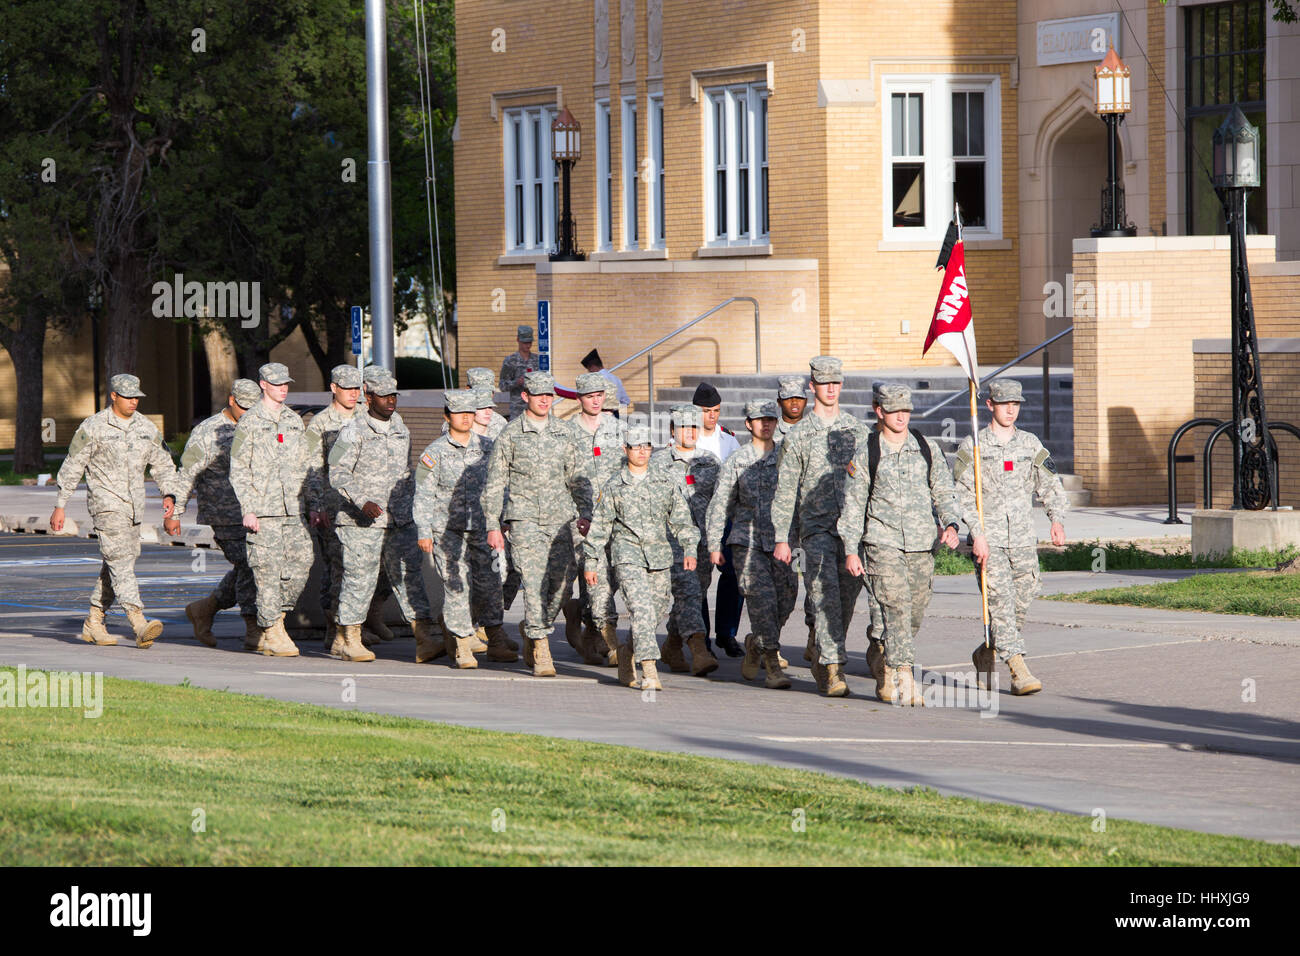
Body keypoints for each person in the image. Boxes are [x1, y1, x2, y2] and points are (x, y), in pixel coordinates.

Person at [839, 383, 973, 706]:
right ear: (879, 411)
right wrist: (850, 549)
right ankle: (904, 676)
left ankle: (886, 660)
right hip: (881, 542)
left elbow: (944, 491)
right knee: (896, 606)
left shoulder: (926, 447)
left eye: (906, 410)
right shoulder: (867, 451)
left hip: (921, 545)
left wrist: (951, 525)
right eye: (894, 410)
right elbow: (854, 504)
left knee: (913, 613)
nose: (901, 416)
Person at [954, 378, 1069, 696]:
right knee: (1001, 605)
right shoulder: (973, 446)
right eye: (1004, 404)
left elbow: (1049, 483)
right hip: (988, 542)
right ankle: (1019, 670)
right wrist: (976, 534)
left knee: (1018, 606)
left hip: (1022, 540)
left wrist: (1056, 520)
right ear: (989, 405)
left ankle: (985, 653)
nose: (1010, 410)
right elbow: (961, 495)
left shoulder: (1030, 444)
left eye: (1015, 404)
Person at [51, 373, 181, 648]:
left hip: (135, 507)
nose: (134, 401)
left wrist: (169, 495)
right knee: (120, 561)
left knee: (117, 563)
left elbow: (164, 464)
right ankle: (138, 621)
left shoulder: (146, 427)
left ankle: (94, 622)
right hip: (106, 506)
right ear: (114, 396)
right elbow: (73, 464)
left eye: (137, 397)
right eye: (128, 396)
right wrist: (60, 504)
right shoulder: (94, 426)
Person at [483, 371, 593, 677]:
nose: (545, 400)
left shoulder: (564, 432)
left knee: (560, 587)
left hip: (560, 521)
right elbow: (495, 482)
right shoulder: (511, 433)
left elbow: (579, 477)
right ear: (525, 397)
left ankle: (534, 629)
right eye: (539, 394)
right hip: (525, 520)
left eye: (549, 395)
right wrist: (494, 524)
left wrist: (586, 514)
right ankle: (542, 649)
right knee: (533, 586)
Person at [327, 368, 438, 663]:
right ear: (369, 396)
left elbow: (407, 471)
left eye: (393, 396)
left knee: (409, 576)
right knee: (359, 578)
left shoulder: (401, 427)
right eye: (383, 396)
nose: (390, 401)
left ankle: (424, 638)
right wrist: (362, 501)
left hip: (399, 519)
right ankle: (347, 639)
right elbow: (336, 471)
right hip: (361, 522)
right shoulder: (353, 430)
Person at [771, 356, 867, 697]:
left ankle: (827, 653)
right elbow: (785, 490)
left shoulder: (858, 431)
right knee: (824, 596)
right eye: (824, 383)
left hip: (853, 533)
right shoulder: (798, 437)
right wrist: (782, 537)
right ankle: (832, 667)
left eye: (836, 383)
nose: (830, 389)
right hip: (816, 530)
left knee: (845, 599)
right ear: (812, 387)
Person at [583, 425, 699, 691]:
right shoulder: (615, 485)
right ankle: (649, 670)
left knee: (655, 613)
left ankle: (627, 652)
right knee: (642, 611)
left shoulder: (664, 480)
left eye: (647, 446)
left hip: (659, 557)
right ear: (626, 450)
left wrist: (690, 548)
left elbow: (681, 520)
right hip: (628, 555)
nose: (642, 452)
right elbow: (600, 527)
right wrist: (591, 562)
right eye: (636, 447)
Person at [414, 390, 516, 667]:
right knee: (456, 586)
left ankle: (494, 637)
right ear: (447, 417)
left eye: (470, 414)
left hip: (484, 528)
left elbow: (500, 486)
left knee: (491, 583)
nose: (466, 419)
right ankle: (461, 643)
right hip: (448, 531)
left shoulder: (488, 447)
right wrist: (424, 530)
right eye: (460, 414)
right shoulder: (432, 454)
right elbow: (423, 493)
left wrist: (504, 517)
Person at [704, 400, 794, 690]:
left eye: (770, 419)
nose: (765, 424)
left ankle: (757, 641)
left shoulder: (787, 457)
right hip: (747, 542)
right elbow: (720, 504)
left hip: (781, 542)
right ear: (748, 424)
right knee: (761, 602)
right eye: (759, 419)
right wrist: (715, 544)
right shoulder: (737, 460)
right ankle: (771, 664)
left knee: (786, 599)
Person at [228, 363, 316, 656]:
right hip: (263, 512)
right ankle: (273, 631)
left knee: (302, 563)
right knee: (267, 572)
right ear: (263, 384)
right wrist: (248, 509)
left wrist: (312, 505)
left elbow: (306, 466)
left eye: (285, 383)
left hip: (293, 509)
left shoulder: (293, 421)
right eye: (277, 383)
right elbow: (239, 469)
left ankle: (275, 620)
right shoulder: (249, 422)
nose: (283, 387)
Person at [172, 378, 263, 649]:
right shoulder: (208, 431)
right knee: (250, 564)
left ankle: (206, 608)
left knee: (257, 564)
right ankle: (252, 626)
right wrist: (175, 511)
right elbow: (187, 472)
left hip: (257, 511)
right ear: (232, 401)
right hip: (225, 513)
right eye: (244, 407)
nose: (249, 413)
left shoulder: (260, 425)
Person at [304, 364, 375, 646]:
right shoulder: (321, 423)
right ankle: (336, 629)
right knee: (339, 567)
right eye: (347, 388)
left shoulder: (367, 417)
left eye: (357, 388)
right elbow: (312, 469)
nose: (353, 394)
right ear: (334, 388)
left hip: (364, 508)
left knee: (365, 568)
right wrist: (317, 504)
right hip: (333, 507)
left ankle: (357, 623)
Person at [649, 404, 720, 677]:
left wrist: (717, 541)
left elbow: (720, 501)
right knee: (689, 591)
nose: (689, 432)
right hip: (672, 541)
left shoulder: (710, 461)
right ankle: (698, 649)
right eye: (683, 427)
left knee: (693, 594)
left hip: (702, 540)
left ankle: (672, 644)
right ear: (672, 430)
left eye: (693, 427)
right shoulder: (658, 462)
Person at [561, 371, 625, 665]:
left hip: (611, 518)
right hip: (580, 519)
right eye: (590, 396)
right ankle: (604, 637)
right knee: (593, 576)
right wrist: (576, 516)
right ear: (579, 398)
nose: (596, 400)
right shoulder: (566, 432)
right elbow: (559, 477)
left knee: (606, 580)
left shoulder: (617, 429)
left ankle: (589, 630)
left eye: (600, 395)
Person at [691, 381, 744, 656]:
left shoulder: (729, 439)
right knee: (699, 580)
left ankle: (727, 633)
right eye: (706, 410)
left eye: (716, 410)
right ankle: (702, 641)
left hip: (724, 519)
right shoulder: (686, 439)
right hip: (695, 521)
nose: (712, 416)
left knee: (733, 574)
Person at [498, 325, 537, 419]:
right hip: (517, 409)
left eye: (530, 342)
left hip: (534, 408)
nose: (528, 345)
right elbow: (502, 385)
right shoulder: (510, 361)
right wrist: (516, 382)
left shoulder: (537, 360)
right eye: (525, 342)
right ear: (518, 340)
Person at [775, 375, 808, 443]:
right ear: (779, 402)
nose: (794, 402)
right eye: (788, 398)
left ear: (805, 402)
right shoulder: (770, 431)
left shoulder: (815, 429)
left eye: (799, 398)